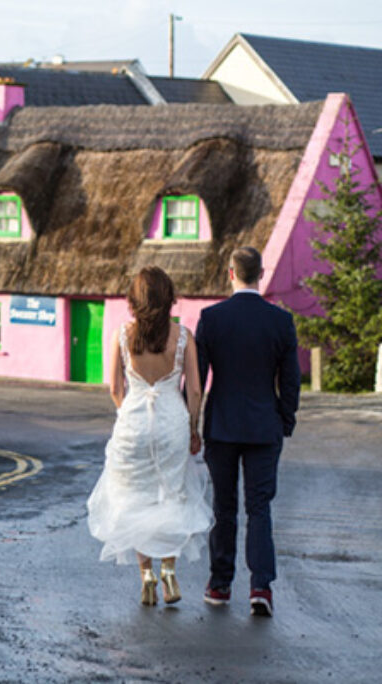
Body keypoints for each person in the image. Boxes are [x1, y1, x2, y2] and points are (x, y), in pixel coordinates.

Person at [88, 266, 213, 606]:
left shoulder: (121, 335)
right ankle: (169, 571)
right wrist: (192, 427)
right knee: (171, 494)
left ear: (135, 300)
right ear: (169, 296)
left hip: (134, 422)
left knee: (134, 498)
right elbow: (197, 390)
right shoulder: (183, 336)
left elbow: (115, 386)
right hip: (171, 420)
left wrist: (126, 412)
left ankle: (146, 575)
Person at [196, 246, 300, 618]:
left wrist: (191, 424)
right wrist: (285, 420)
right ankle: (261, 587)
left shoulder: (211, 318)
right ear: (262, 273)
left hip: (221, 427)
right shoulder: (280, 322)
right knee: (259, 508)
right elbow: (290, 381)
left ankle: (220, 584)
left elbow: (197, 379)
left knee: (224, 508)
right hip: (263, 427)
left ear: (230, 273)